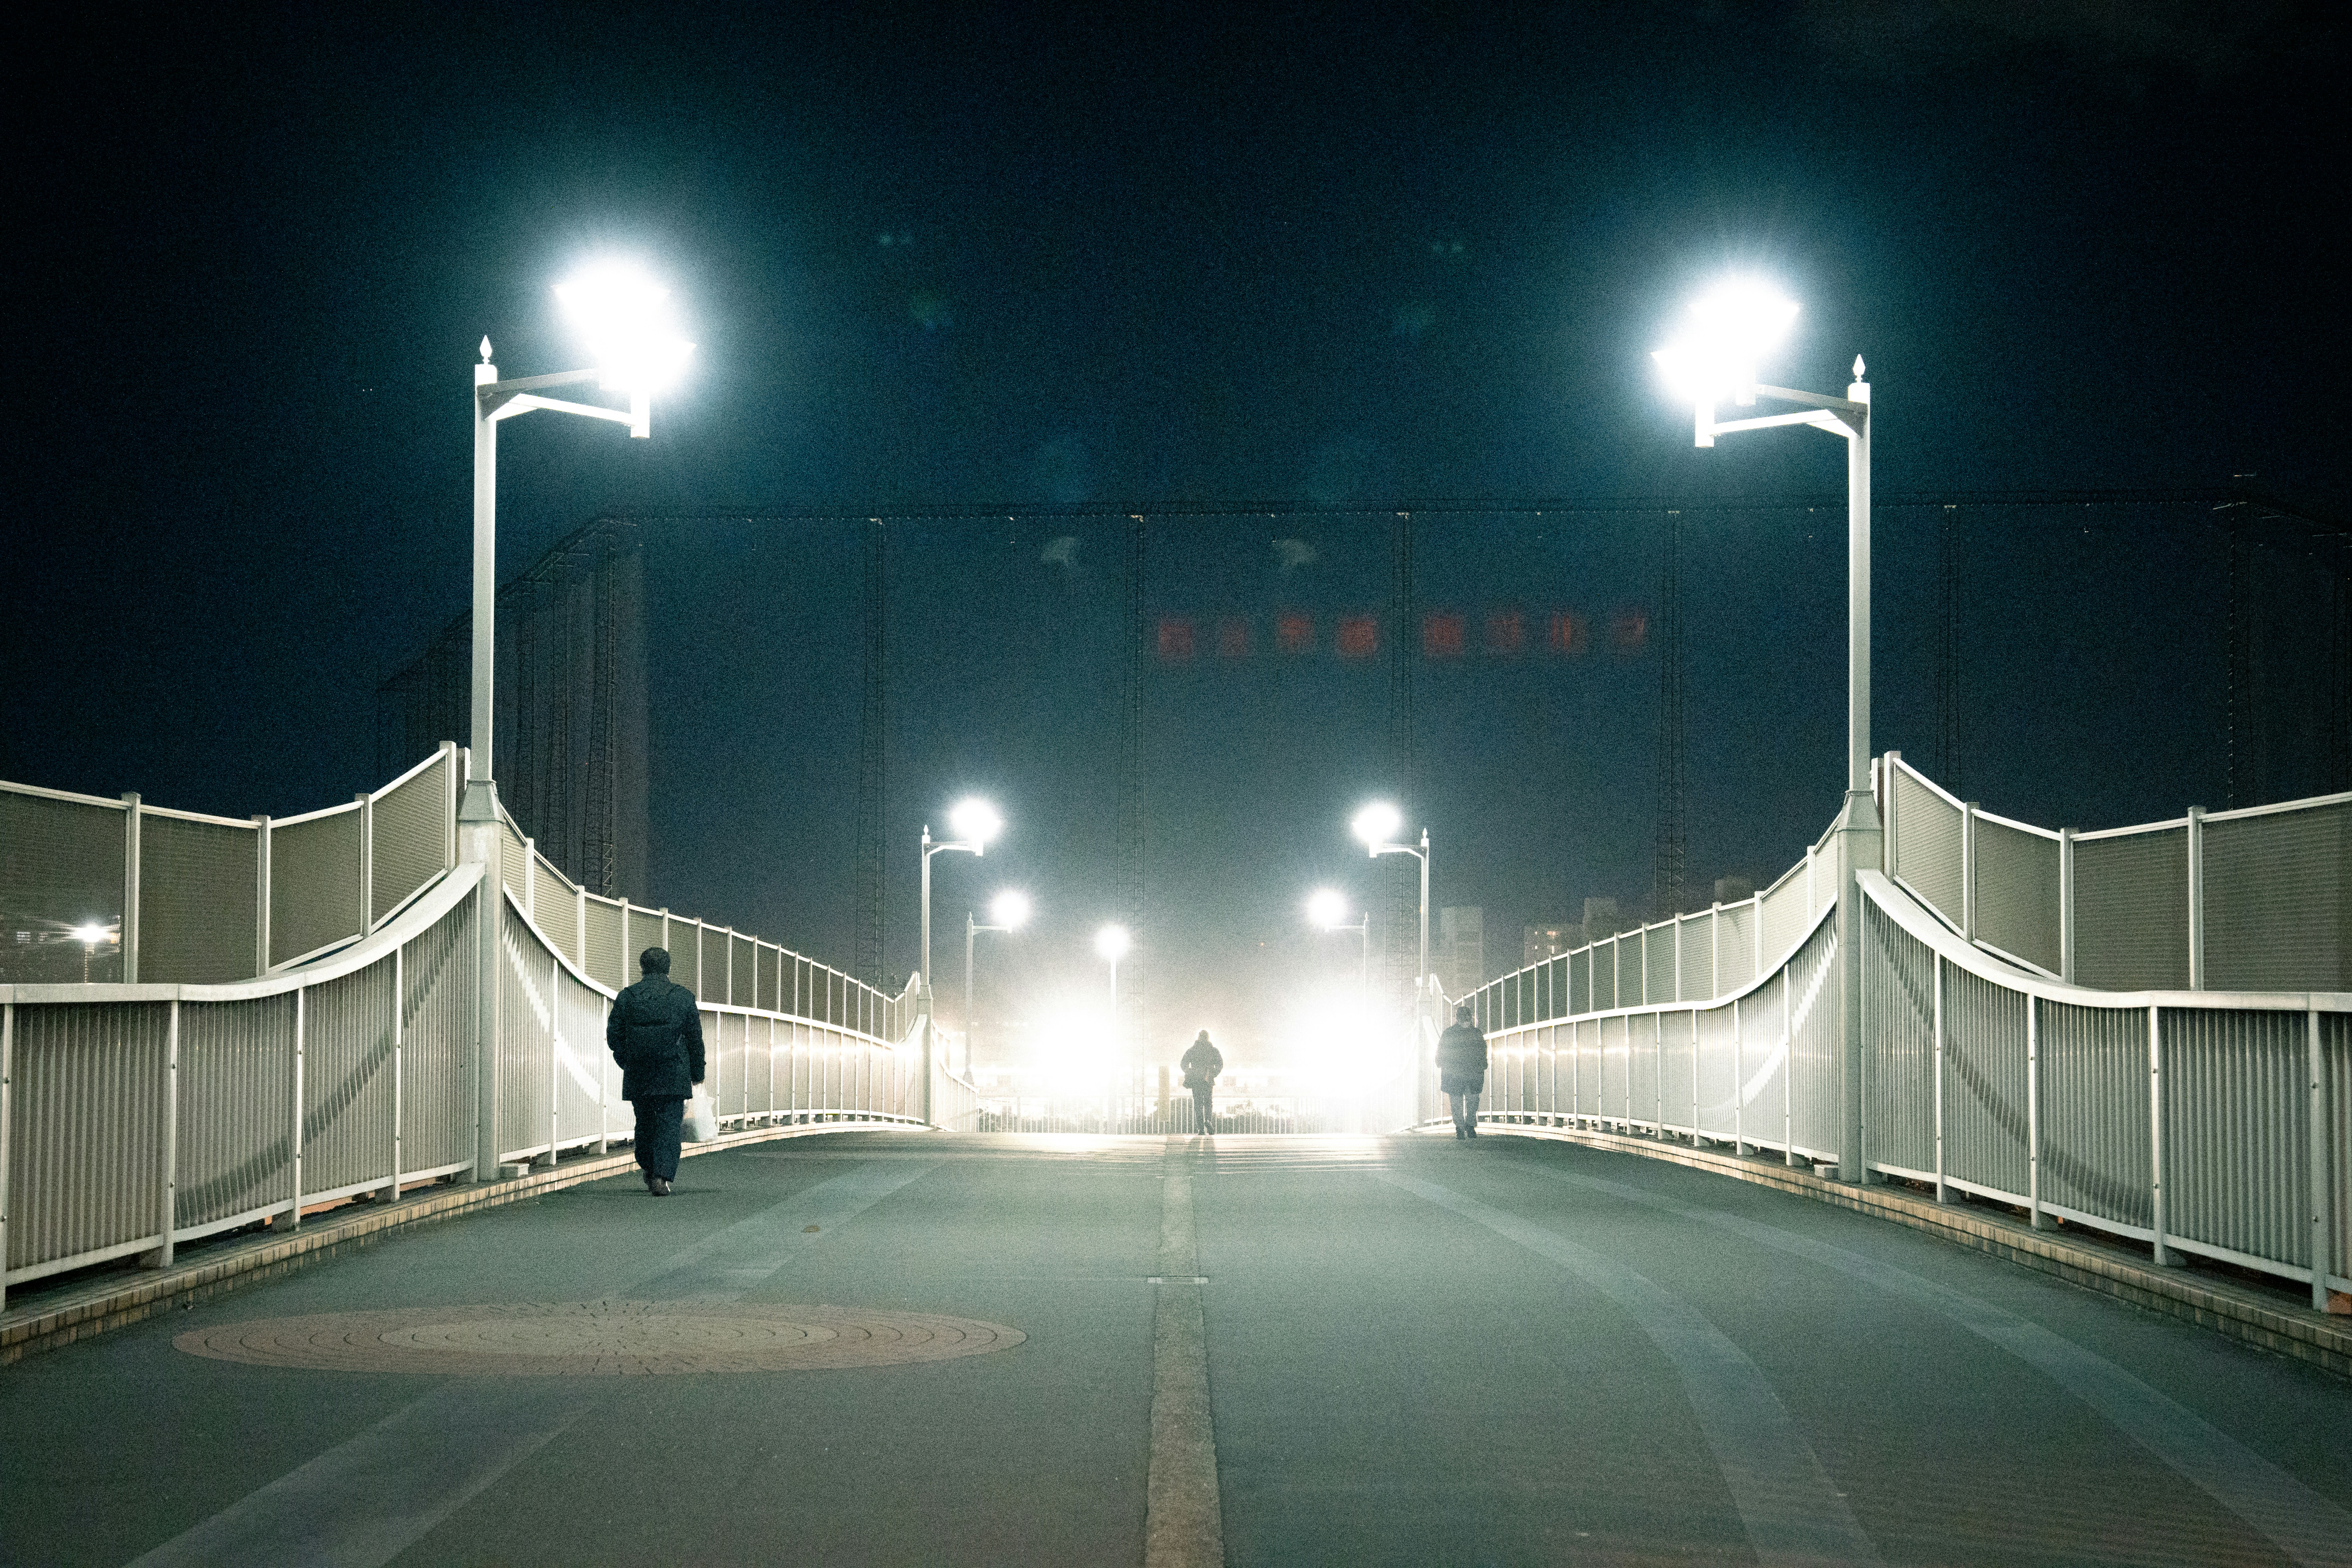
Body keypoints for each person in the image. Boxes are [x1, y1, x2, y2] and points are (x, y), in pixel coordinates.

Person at [605, 946, 706, 1195]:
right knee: (669, 1125)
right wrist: (697, 1072)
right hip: (673, 1073)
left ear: (642, 968)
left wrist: (627, 1060)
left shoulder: (627, 996)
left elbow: (613, 1036)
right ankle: (661, 1175)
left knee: (645, 1123)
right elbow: (695, 1038)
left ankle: (649, 1168)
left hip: (638, 1073)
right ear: (668, 968)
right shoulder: (683, 997)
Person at [1435, 1002, 1488, 1140]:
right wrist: (1483, 1065)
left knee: (1457, 1102)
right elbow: (1483, 1052)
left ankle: (1460, 1128)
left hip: (1454, 1074)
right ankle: (1469, 1126)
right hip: (1472, 1074)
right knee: (1472, 1101)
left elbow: (1441, 1051)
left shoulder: (1449, 1033)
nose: (1465, 1022)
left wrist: (1440, 1062)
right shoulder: (1477, 1033)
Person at [1179, 1030, 1223, 1136]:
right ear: (1208, 1038)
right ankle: (1208, 1120)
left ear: (1199, 1038)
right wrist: (1214, 1073)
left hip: (1196, 1081)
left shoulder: (1192, 1050)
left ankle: (1201, 1129)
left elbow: (1183, 1063)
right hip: (1208, 1079)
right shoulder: (1213, 1051)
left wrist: (1189, 1071)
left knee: (1198, 1104)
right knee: (1208, 1102)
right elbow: (1220, 1064)